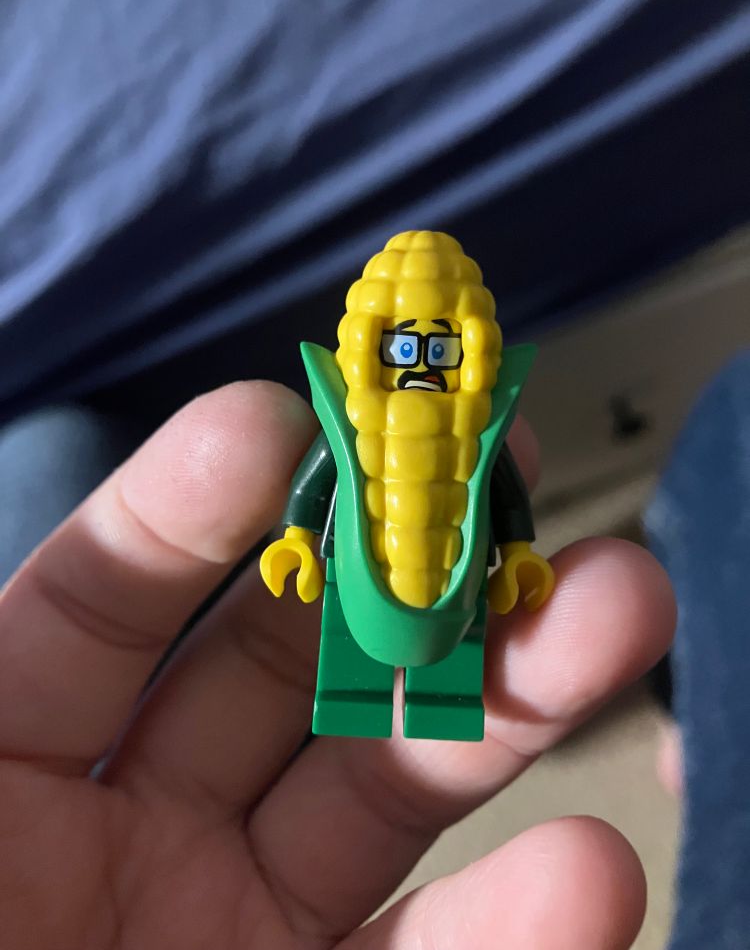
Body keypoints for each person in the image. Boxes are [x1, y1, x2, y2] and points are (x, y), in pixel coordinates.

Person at [0, 379, 675, 949]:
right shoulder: (353, 432)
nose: (420, 370)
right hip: (358, 575)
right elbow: (316, 486)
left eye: (441, 351)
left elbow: (503, 499)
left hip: (454, 578)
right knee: (345, 659)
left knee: (58, 453)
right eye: (401, 350)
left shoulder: (475, 440)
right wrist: (297, 539)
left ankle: (440, 703)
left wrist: (518, 552)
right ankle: (353, 704)